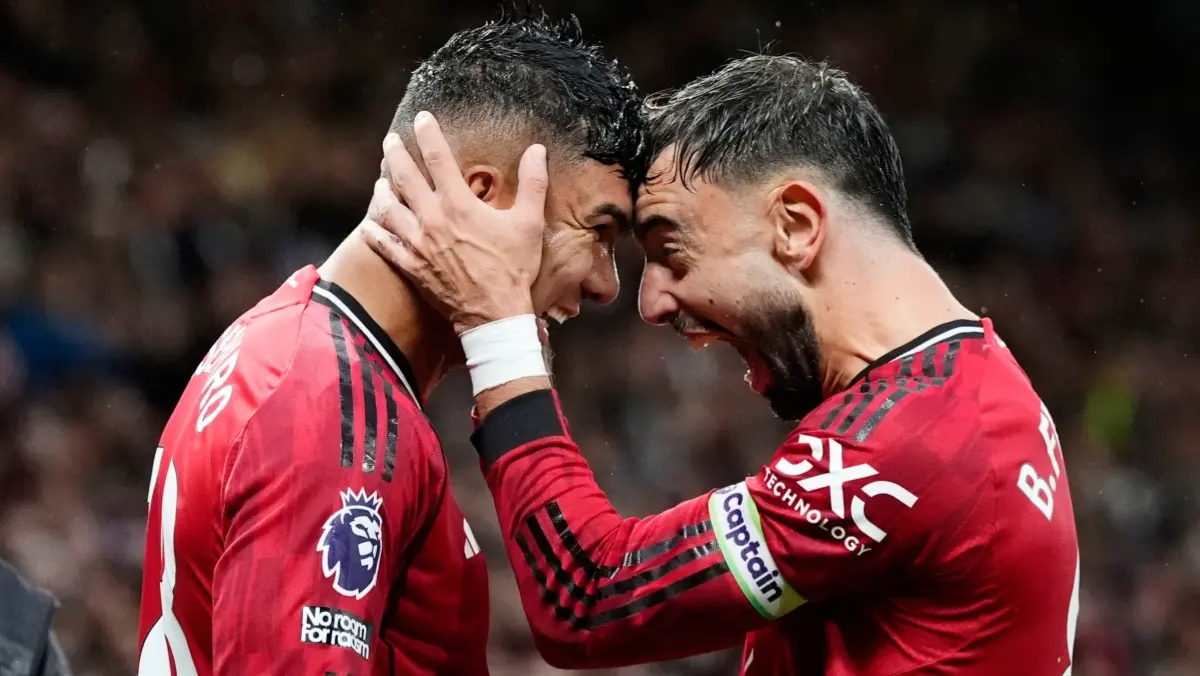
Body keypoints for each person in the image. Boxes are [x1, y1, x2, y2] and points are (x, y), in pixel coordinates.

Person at [362, 55, 1080, 675]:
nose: (650, 303)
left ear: (795, 226)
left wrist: (499, 327)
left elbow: (588, 597)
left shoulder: (913, 442)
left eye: (671, 251)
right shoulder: (974, 382)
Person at [135, 15, 649, 675]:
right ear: (477, 196)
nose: (607, 284)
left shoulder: (282, 341)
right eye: (599, 230)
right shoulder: (330, 404)